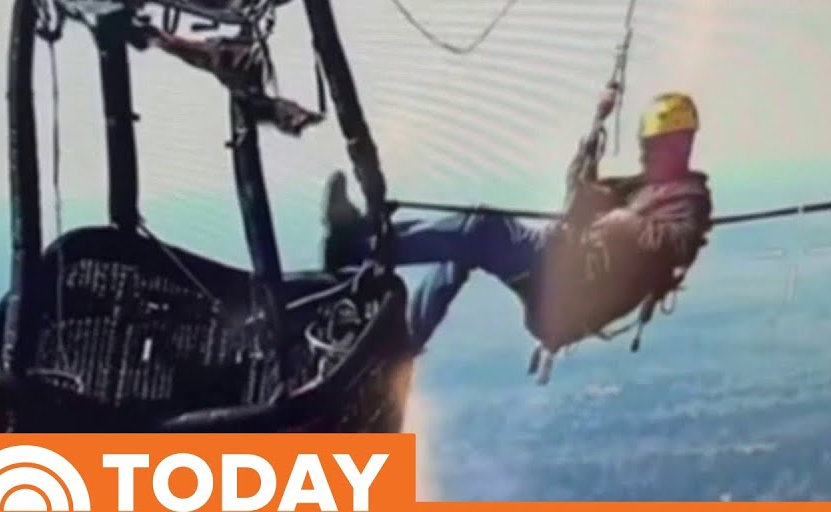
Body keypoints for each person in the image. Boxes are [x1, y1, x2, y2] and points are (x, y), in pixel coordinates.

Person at [321, 88, 714, 362]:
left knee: (481, 229)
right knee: (469, 243)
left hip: (569, 289)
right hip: (563, 275)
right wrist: (595, 131)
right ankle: (406, 340)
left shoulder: (690, 201)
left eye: (653, 147)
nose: (644, 155)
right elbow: (578, 197)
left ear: (681, 145)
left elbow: (676, 245)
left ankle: (357, 247)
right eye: (645, 146)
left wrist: (617, 221)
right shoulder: (639, 187)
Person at [129, 21, 324, 136]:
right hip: (234, 63)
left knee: (188, 51)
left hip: (232, 63)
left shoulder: (256, 92)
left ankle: (149, 36)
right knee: (187, 50)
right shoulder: (258, 90)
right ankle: (150, 36)